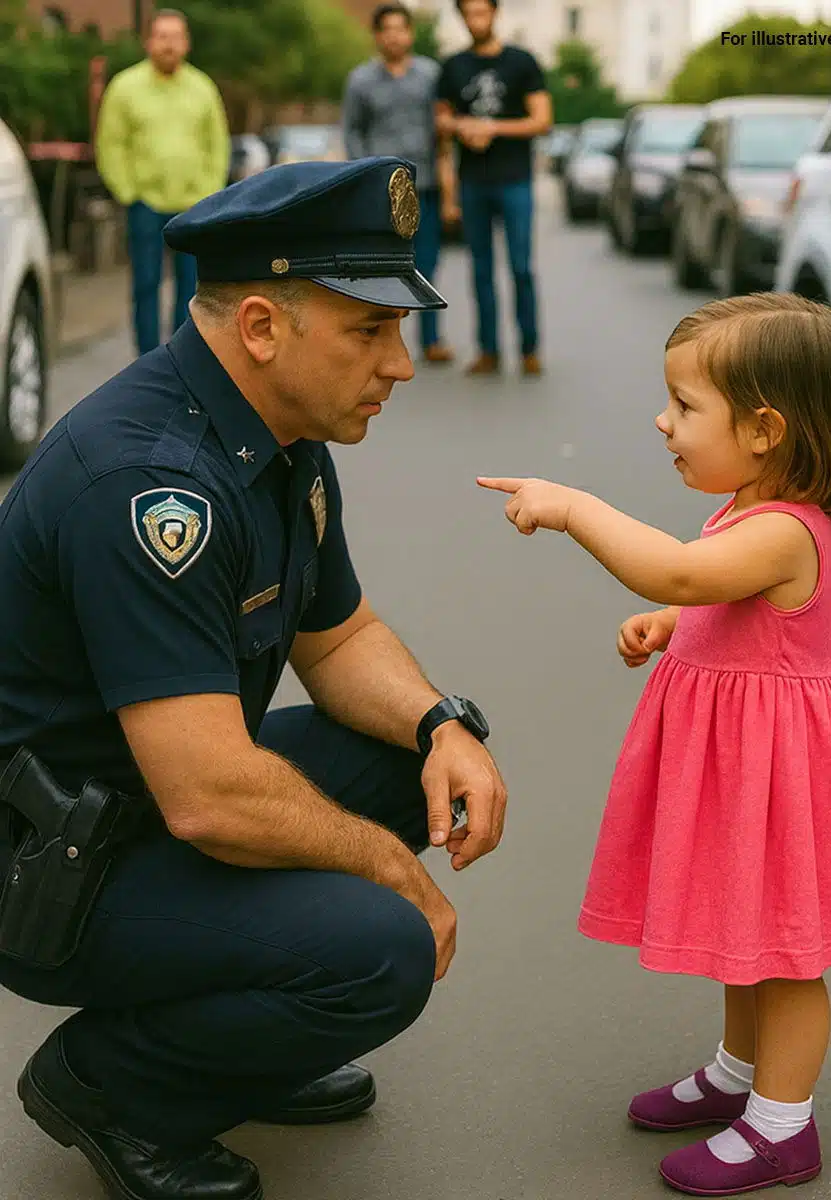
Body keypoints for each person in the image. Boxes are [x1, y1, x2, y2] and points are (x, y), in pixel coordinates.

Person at [0, 157, 507, 1200]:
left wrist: (439, 726)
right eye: (370, 332)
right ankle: (114, 1087)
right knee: (384, 949)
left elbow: (337, 635)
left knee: (397, 756)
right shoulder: (149, 486)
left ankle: (244, 1039)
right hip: (49, 869)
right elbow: (208, 794)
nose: (400, 364)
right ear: (264, 328)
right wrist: (387, 869)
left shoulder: (278, 435)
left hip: (138, 808)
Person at [478, 292, 831, 1196]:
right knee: (739, 927)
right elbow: (708, 595)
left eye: (684, 406)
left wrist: (574, 509)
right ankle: (736, 1072)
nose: (663, 420)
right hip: (739, 765)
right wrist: (672, 624)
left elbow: (683, 568)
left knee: (786, 949)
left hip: (777, 772)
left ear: (764, 428)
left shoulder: (786, 528)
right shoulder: (745, 508)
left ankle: (781, 1127)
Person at [95, 8, 230, 357]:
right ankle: (147, 361)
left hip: (194, 206)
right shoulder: (125, 87)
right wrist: (128, 191)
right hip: (145, 204)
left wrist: (210, 194)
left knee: (193, 291)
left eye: (176, 37)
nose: (169, 45)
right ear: (148, 42)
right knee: (145, 285)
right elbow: (110, 143)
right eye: (162, 37)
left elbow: (218, 144)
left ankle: (182, 362)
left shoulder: (203, 88)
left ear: (186, 43)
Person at [436, 0, 552, 376]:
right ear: (462, 17)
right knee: (480, 269)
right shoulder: (453, 66)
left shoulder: (522, 62)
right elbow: (440, 120)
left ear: (494, 13)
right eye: (469, 14)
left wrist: (492, 128)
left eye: (482, 12)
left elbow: (542, 121)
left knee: (520, 267)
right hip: (473, 181)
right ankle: (488, 350)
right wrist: (463, 128)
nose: (476, 20)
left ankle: (529, 348)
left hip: (515, 178)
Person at [343, 3, 457, 365]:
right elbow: (353, 132)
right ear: (377, 36)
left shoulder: (430, 75)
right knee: (380, 266)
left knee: (427, 265)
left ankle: (431, 339)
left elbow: (442, 134)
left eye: (400, 28)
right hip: (380, 189)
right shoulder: (360, 80)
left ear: (410, 33)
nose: (394, 35)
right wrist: (362, 178)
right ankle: (377, 340)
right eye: (386, 29)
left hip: (424, 186)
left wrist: (448, 184)